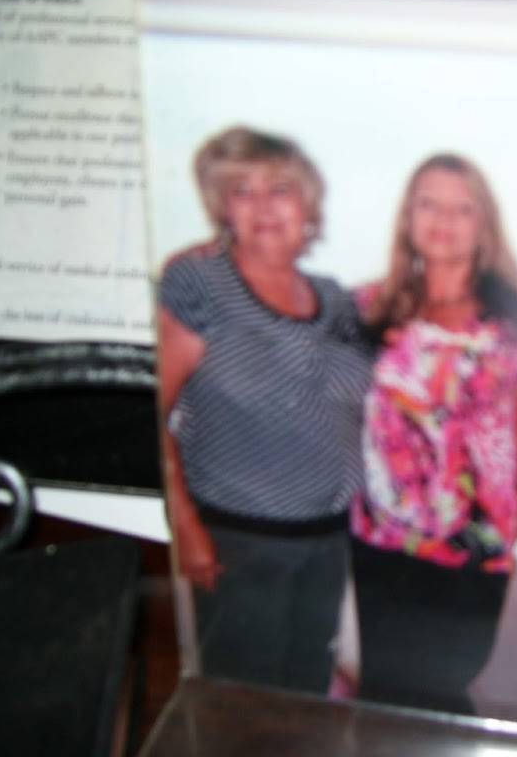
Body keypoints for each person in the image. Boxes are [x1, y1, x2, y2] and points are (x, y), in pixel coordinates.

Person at [157, 126, 371, 693]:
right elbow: (150, 412)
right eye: (241, 192)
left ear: (308, 205)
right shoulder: (199, 283)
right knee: (241, 708)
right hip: (239, 543)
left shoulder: (337, 299)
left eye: (279, 189)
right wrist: (185, 527)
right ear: (222, 209)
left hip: (327, 541)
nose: (262, 206)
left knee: (303, 696)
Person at [351, 153, 517, 714]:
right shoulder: (369, 308)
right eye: (428, 204)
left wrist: (505, 540)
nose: (443, 220)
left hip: (471, 553)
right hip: (379, 545)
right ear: (407, 217)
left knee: (441, 694)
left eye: (462, 208)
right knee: (381, 691)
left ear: (484, 224)